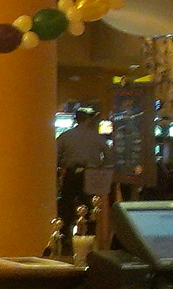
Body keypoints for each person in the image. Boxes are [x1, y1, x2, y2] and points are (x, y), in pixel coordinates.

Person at [56, 107, 113, 255]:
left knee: (66, 206)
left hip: (71, 174)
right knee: (90, 206)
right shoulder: (96, 137)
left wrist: (62, 165)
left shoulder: (66, 135)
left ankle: (65, 239)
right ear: (87, 120)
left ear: (76, 119)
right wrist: (101, 168)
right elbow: (109, 155)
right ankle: (89, 238)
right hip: (90, 174)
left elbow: (55, 154)